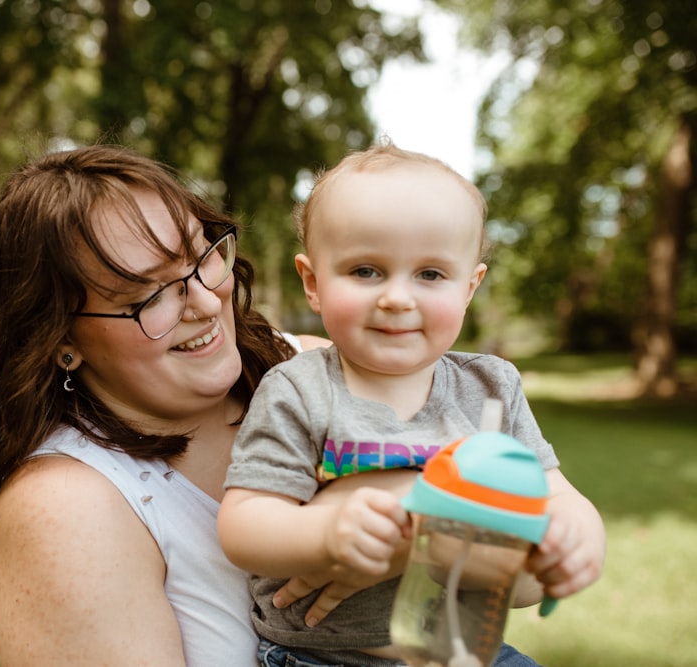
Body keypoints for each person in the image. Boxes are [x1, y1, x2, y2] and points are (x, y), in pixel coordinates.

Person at [217, 142, 606, 667]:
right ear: (313, 282)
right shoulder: (300, 389)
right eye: (366, 271)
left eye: (430, 275)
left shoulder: (491, 387)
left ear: (469, 288)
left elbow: (556, 496)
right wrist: (325, 533)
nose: (398, 297)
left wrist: (576, 539)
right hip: (328, 658)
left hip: (468, 648)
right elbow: (244, 525)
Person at [0, 144, 340, 666]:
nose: (204, 303)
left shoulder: (308, 368)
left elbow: (480, 486)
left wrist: (401, 528)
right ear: (61, 339)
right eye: (146, 296)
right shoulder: (64, 510)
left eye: (201, 257)